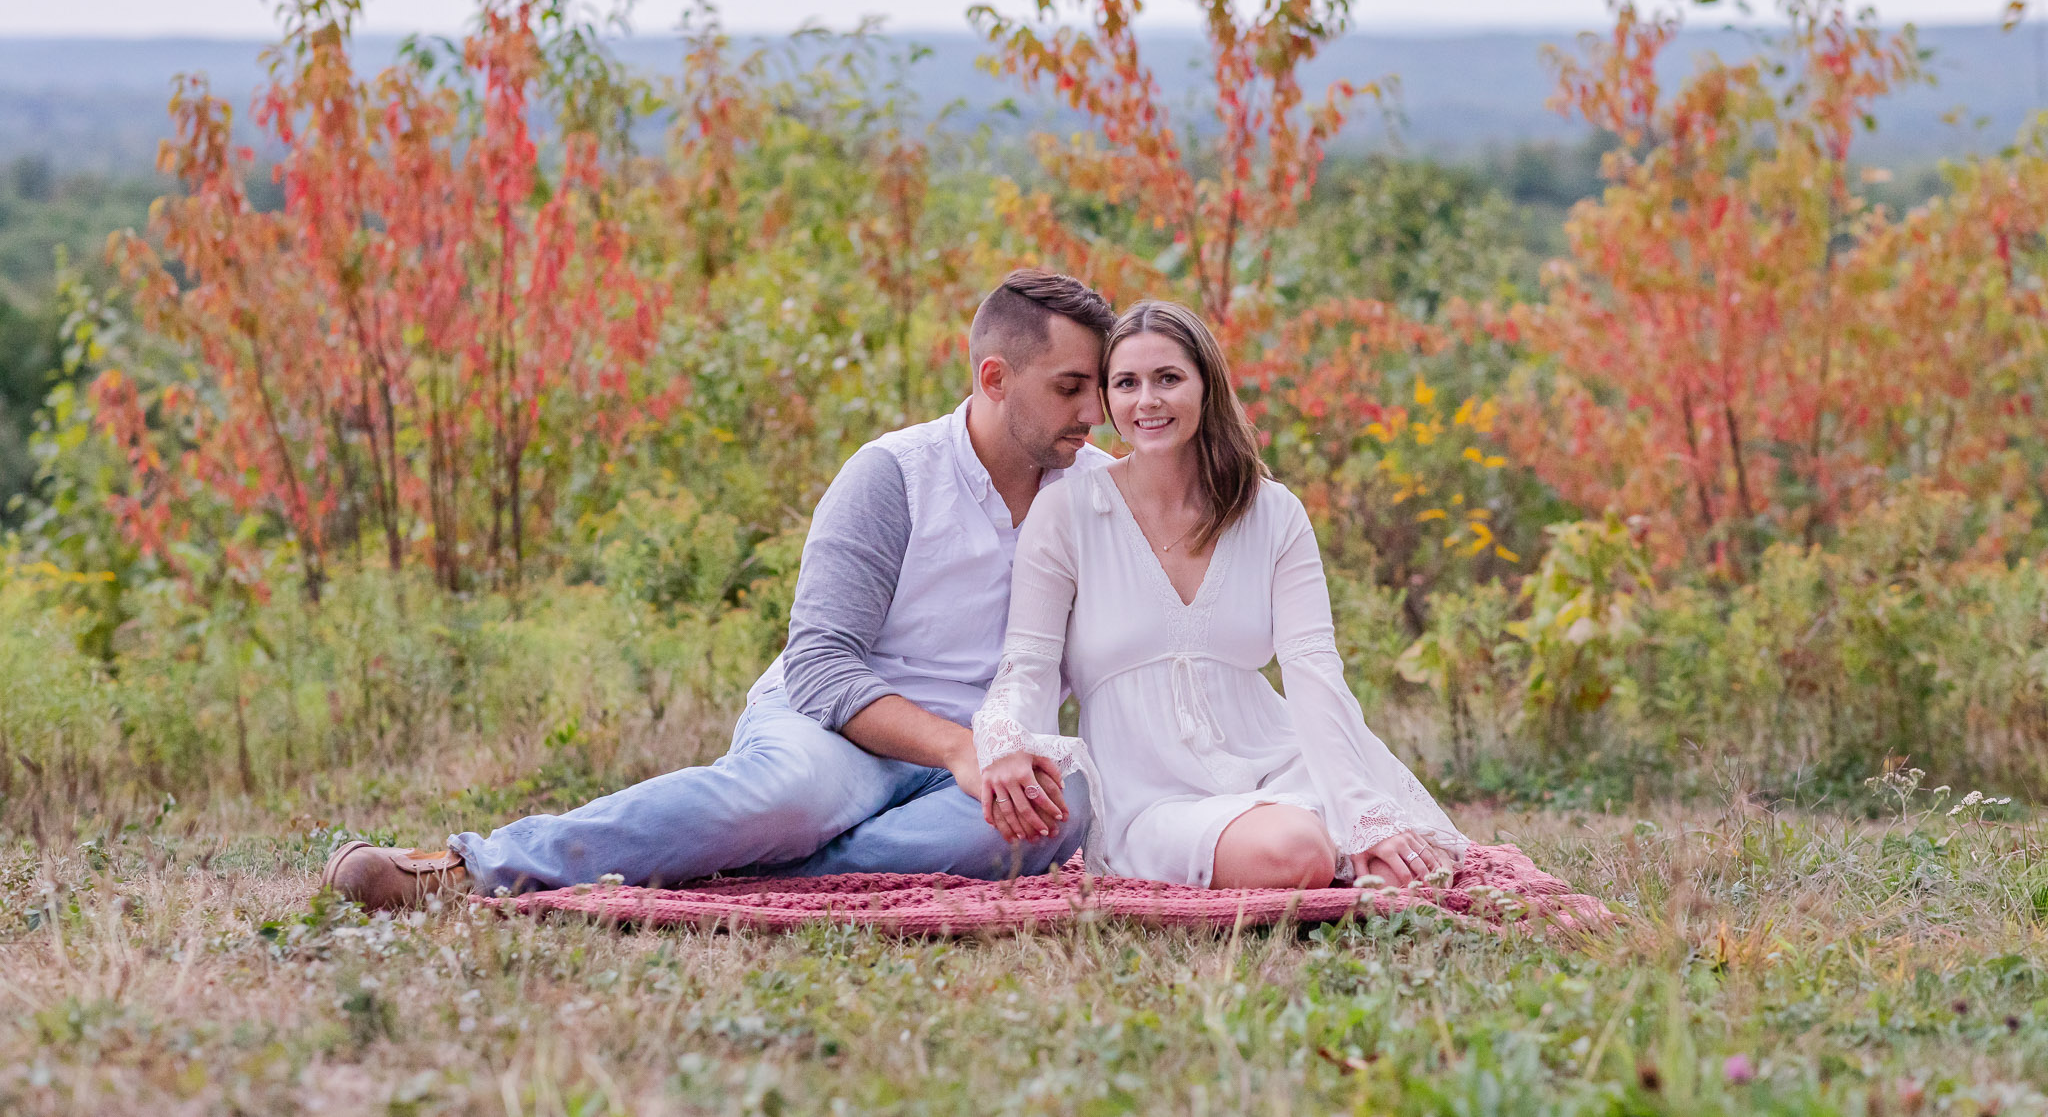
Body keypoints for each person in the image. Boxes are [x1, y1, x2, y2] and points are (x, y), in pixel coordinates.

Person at [323, 269, 1115, 910]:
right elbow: (822, 668)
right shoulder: (894, 476)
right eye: (1070, 387)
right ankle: (470, 869)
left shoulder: (1100, 492)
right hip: (841, 734)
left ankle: (748, 875)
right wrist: (959, 747)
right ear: (995, 378)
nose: (1093, 414)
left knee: (1061, 810)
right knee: (793, 799)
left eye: (1098, 390)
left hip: (986, 759)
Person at [973, 299, 1469, 891]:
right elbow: (1026, 665)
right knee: (1293, 852)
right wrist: (1006, 741)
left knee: (1399, 863)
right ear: (1108, 399)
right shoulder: (1068, 512)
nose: (1147, 401)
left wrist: (1362, 808)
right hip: (1154, 798)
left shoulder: (1274, 512)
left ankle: (1341, 837)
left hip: (1284, 759)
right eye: (1126, 383)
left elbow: (1313, 671)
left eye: (1169, 379)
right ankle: (1314, 853)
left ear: (1207, 386)